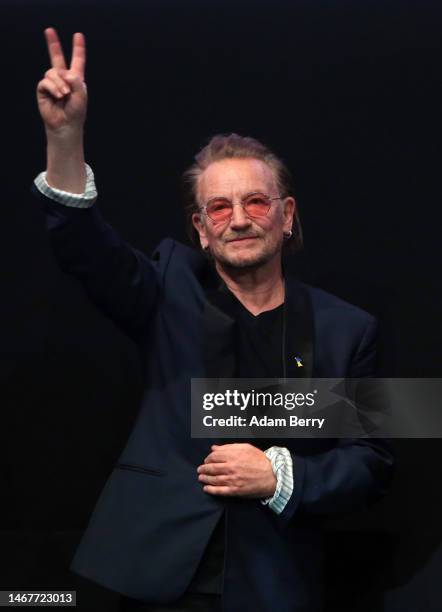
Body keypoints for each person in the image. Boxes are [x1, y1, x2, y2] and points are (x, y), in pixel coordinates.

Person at [33, 28, 394, 612]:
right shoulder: (166, 288)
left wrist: (281, 476)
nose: (240, 220)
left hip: (276, 580)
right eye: (219, 207)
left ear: (286, 215)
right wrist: (65, 138)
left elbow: (371, 462)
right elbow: (82, 246)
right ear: (200, 229)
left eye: (256, 202)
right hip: (155, 577)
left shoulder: (347, 329)